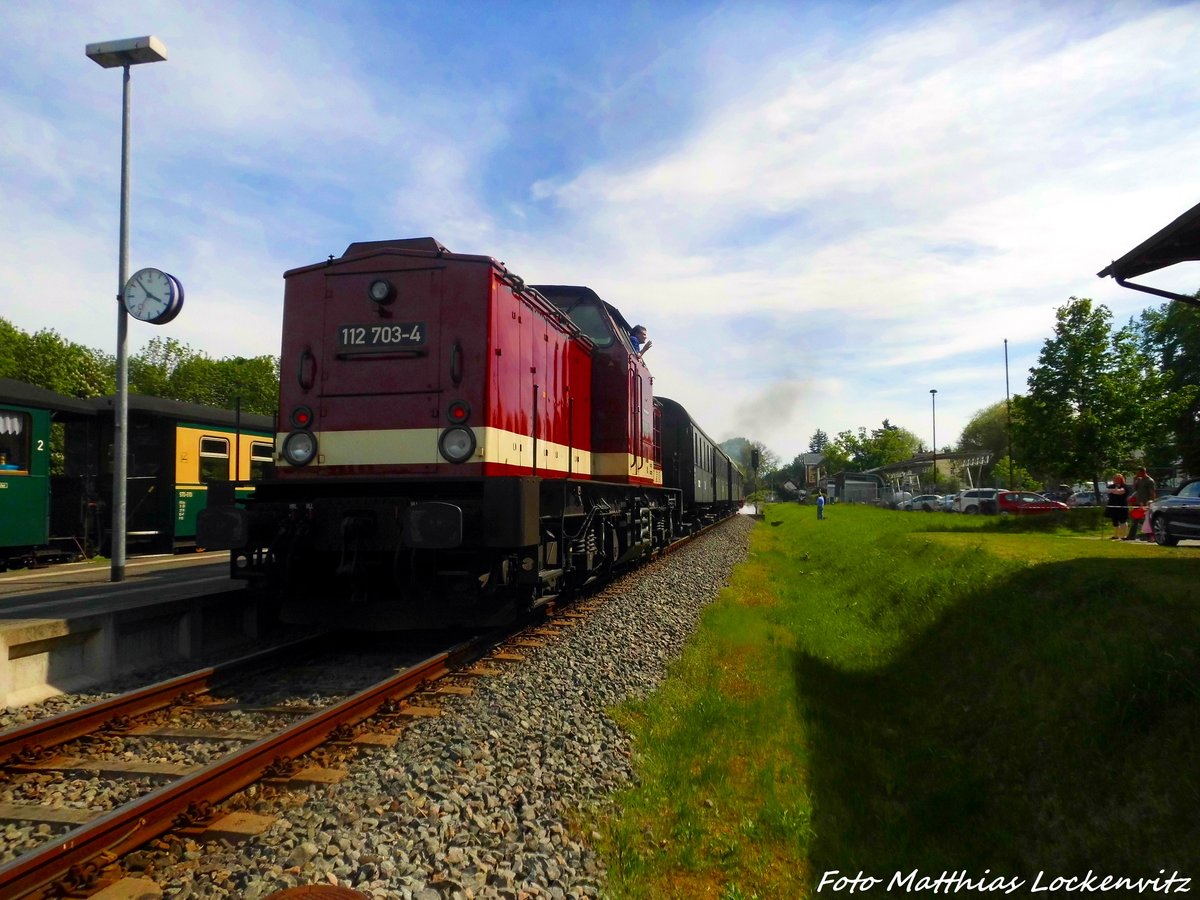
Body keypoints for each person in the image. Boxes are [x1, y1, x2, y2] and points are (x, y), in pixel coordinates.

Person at [1126, 466, 1157, 541]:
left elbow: (1152, 493)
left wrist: (1151, 502)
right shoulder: (1139, 480)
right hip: (1138, 502)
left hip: (1145, 503)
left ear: (1143, 472)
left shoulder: (1149, 481)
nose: (1137, 474)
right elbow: (1134, 489)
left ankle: (1151, 536)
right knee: (1135, 519)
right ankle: (1131, 536)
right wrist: (1135, 480)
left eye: (1138, 472)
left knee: (1146, 520)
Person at [1104, 473, 1128, 540]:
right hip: (1112, 505)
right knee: (1114, 520)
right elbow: (1107, 491)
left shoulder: (1125, 486)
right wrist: (1115, 490)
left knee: (1123, 520)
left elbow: (1120, 492)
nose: (1116, 480)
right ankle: (1115, 535)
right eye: (1114, 478)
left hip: (1122, 505)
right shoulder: (1111, 486)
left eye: (1117, 478)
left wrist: (1113, 491)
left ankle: (1124, 536)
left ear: (1121, 479)